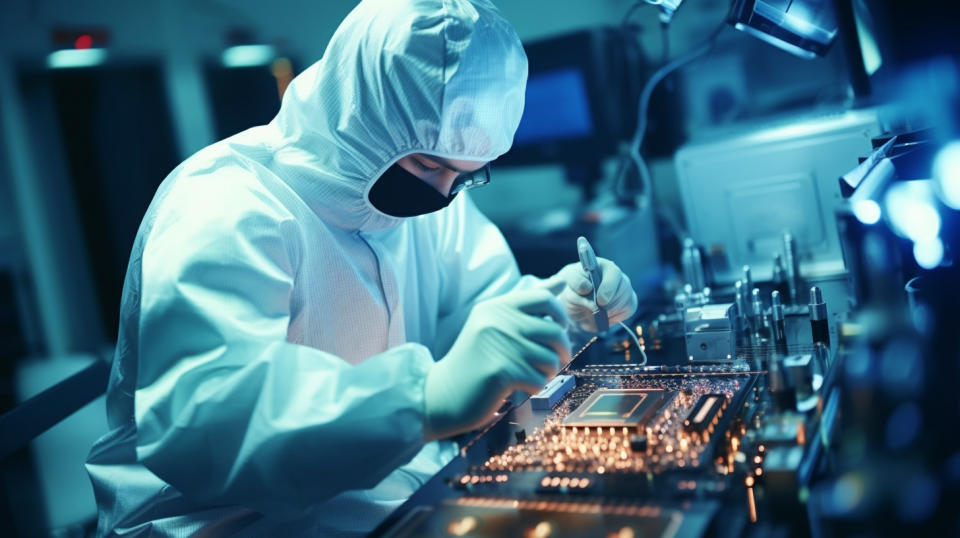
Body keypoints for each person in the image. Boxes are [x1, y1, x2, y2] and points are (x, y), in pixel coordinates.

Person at [86, 0, 639, 535]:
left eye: (467, 175)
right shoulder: (226, 204)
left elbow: (477, 317)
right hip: (218, 522)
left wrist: (551, 311)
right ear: (362, 119)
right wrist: (421, 397)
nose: (443, 195)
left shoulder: (430, 199)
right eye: (429, 164)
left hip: (388, 495)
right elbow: (208, 423)